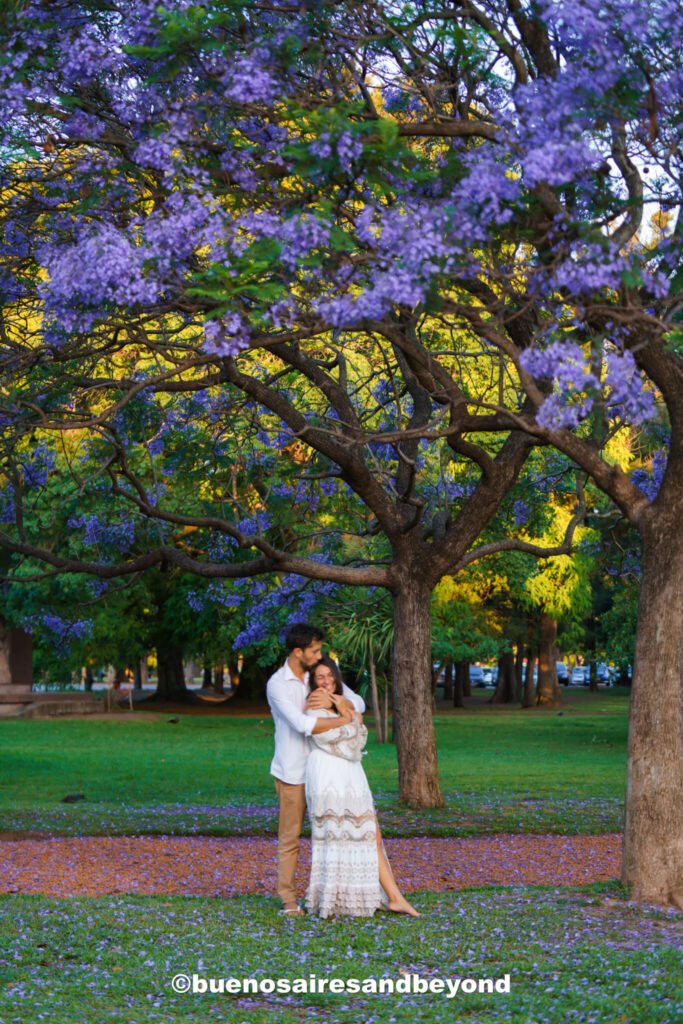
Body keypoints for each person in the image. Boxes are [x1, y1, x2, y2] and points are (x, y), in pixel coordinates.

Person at [304, 657, 420, 918]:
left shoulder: (341, 702)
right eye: (320, 677)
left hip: (352, 773)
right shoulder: (314, 708)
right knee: (336, 837)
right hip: (328, 773)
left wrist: (345, 712)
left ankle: (394, 897)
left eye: (330, 676)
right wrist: (349, 720)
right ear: (312, 681)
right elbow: (339, 742)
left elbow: (359, 737)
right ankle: (335, 899)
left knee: (370, 834)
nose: (326, 682)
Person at [266, 622, 365, 916]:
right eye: (315, 650)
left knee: (331, 836)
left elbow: (357, 701)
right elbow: (303, 725)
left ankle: (331, 898)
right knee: (291, 838)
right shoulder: (277, 684)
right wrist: (345, 720)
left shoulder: (318, 673)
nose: (319, 654)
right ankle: (288, 899)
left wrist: (336, 700)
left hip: (326, 771)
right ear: (298, 652)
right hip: (293, 773)